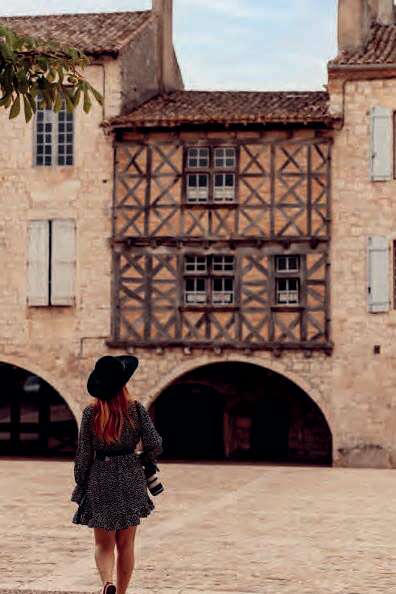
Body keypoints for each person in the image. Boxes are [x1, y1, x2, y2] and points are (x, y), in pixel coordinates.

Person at [70, 355, 163, 594]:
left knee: (103, 544)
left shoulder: (91, 414)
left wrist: (81, 483)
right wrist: (144, 461)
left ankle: (107, 583)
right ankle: (120, 593)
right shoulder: (136, 410)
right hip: (131, 475)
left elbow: (83, 455)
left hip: (101, 477)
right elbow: (154, 443)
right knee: (126, 544)